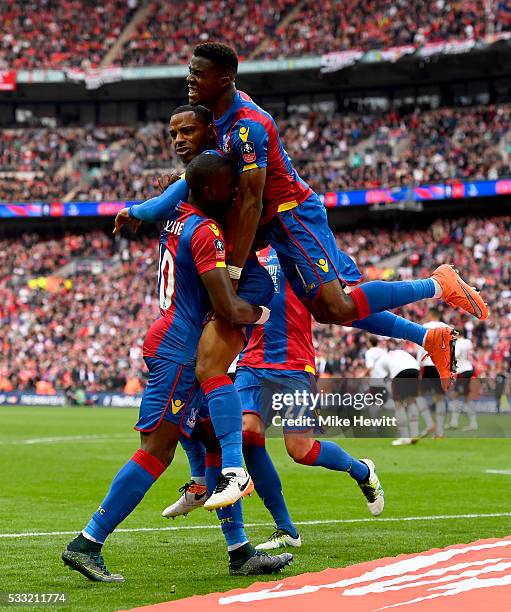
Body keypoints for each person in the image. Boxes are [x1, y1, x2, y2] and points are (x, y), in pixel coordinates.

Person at [186, 42, 489, 382]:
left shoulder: (247, 126)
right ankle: (426, 336)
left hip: (293, 216)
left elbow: (253, 203)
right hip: (277, 224)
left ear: (225, 79)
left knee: (339, 306)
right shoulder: (221, 117)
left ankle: (437, 283)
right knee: (330, 310)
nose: (190, 79)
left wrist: (235, 271)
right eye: (190, 71)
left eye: (198, 73)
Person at [61, 153, 291, 582]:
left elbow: (163, 204)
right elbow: (225, 305)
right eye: (229, 185)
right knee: (156, 450)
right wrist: (261, 312)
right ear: (206, 190)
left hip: (175, 339)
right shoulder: (205, 231)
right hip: (180, 351)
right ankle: (87, 543)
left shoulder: (178, 218)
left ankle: (239, 551)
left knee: (213, 442)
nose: (237, 192)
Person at [163, 246, 384, 551]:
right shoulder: (246, 249)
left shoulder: (302, 246)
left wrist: (410, 332)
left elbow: (347, 305)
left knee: (301, 450)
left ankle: (362, 470)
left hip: (294, 364)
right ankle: (286, 529)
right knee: (247, 436)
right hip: (251, 363)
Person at [114, 104, 275, 510]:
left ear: (209, 131)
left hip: (238, 283)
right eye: (173, 134)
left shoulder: (220, 171)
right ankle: (217, 501)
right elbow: (165, 203)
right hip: (198, 306)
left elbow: (159, 207)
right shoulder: (194, 192)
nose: (179, 140)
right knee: (197, 413)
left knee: (207, 374)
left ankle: (232, 474)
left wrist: (137, 210)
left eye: (187, 131)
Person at [376, 345, 421, 446]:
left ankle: (404, 437)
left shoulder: (379, 362)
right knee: (411, 401)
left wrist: (394, 395)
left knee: (398, 404)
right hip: (415, 370)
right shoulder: (401, 353)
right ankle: (415, 433)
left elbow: (384, 379)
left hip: (399, 372)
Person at [416, 310, 450, 438]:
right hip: (441, 366)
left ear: (431, 315)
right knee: (440, 397)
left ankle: (430, 423)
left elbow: (421, 346)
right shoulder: (447, 328)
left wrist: (418, 365)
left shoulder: (424, 326)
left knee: (418, 395)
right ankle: (439, 433)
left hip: (427, 364)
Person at [448, 330, 477, 431]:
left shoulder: (458, 343)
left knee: (455, 396)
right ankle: (457, 422)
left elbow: (454, 356)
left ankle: (457, 422)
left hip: (463, 371)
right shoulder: (468, 342)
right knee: (465, 397)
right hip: (469, 369)